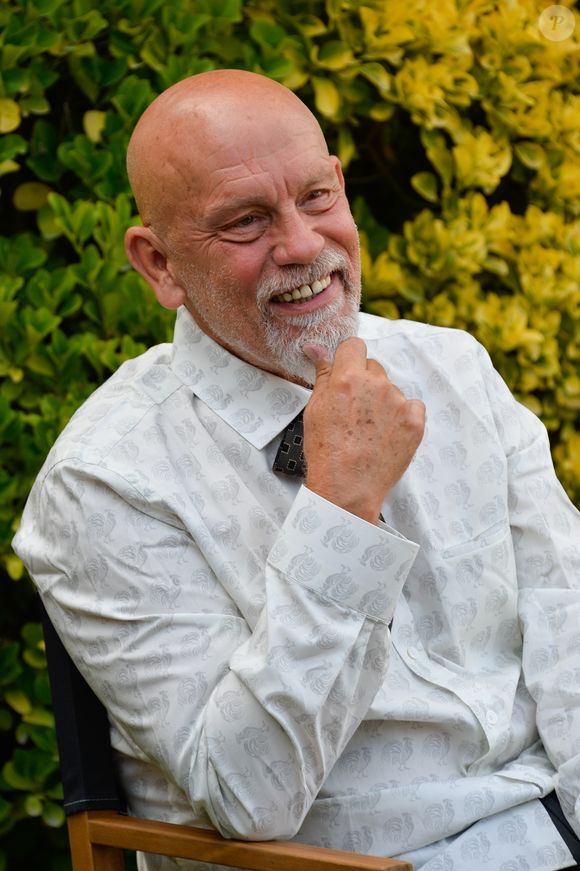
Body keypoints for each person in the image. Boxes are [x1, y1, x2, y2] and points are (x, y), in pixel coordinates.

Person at [12, 69, 580, 871]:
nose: (304, 245)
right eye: (245, 222)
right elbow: (249, 795)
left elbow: (569, 615)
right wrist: (342, 510)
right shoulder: (104, 481)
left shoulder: (453, 366)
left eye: (315, 198)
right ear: (160, 264)